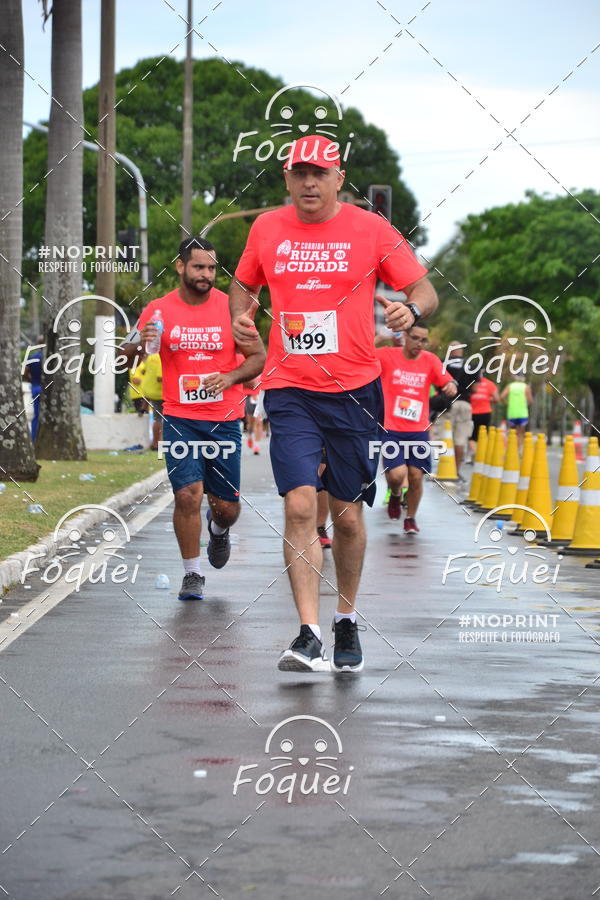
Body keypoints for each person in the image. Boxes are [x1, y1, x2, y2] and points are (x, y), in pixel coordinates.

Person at [230, 133, 438, 674]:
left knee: (346, 516)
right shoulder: (267, 228)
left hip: (355, 391)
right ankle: (307, 633)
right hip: (290, 386)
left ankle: (346, 618)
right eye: (299, 173)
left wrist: (410, 313)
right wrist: (242, 316)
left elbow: (423, 288)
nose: (309, 182)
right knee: (300, 505)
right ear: (286, 178)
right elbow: (243, 286)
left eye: (319, 173)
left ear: (338, 178)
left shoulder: (370, 229)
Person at [124, 236, 265, 601]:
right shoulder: (157, 309)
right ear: (181, 266)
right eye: (199, 266)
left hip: (224, 418)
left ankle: (219, 531)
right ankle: (192, 573)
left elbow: (257, 358)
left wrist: (231, 377)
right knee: (187, 495)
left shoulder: (233, 307)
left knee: (227, 508)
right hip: (180, 417)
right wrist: (140, 344)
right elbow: (124, 361)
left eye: (212, 268)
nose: (206, 275)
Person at [376, 326, 456, 532]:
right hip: (391, 428)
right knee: (396, 475)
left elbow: (447, 381)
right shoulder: (387, 355)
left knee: (415, 476)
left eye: (424, 340)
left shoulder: (430, 360)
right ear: (405, 336)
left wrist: (450, 386)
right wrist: (379, 337)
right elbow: (361, 356)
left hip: (418, 429)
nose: (419, 343)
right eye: (415, 338)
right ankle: (395, 495)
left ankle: (410, 518)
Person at [433, 340, 479, 477]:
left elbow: (436, 382)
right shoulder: (471, 365)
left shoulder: (442, 363)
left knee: (444, 437)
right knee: (460, 440)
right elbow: (475, 388)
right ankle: (456, 471)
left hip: (446, 404)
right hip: (465, 404)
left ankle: (443, 469)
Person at [468, 374, 499, 461]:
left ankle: (477, 453)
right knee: (484, 434)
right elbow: (496, 398)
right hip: (485, 413)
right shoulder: (490, 384)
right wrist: (487, 399)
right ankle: (482, 454)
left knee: (471, 437)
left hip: (472, 413)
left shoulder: (471, 382)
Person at [501, 375, 532, 447]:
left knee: (512, 432)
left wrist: (507, 403)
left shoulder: (510, 386)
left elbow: (502, 396)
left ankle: (512, 449)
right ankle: (519, 449)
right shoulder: (526, 387)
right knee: (521, 432)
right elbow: (530, 400)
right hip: (522, 413)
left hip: (512, 413)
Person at [141, 352, 164, 451]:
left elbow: (142, 371)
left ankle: (155, 444)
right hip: (160, 393)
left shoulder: (151, 356)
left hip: (149, 391)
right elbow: (160, 377)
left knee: (157, 418)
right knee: (162, 419)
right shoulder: (163, 357)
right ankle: (157, 444)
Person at [23, 337, 43, 440]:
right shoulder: (49, 358)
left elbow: (25, 371)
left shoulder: (32, 357)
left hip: (35, 386)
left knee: (36, 415)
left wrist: (31, 378)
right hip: (45, 388)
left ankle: (34, 438)